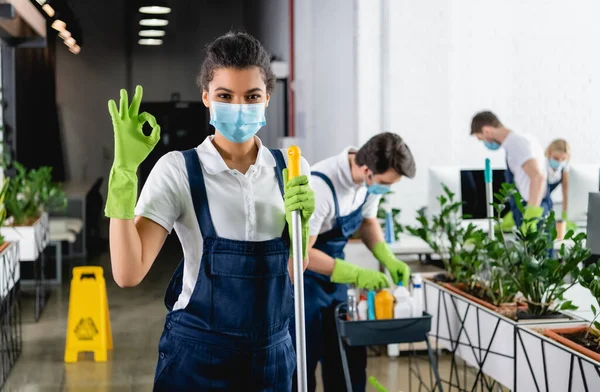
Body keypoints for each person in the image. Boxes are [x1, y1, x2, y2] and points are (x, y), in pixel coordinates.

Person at [105, 32, 315, 391]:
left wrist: (303, 230)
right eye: (224, 96)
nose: (239, 105)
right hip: (197, 360)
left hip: (272, 358)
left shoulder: (293, 169)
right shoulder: (178, 171)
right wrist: (124, 173)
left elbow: (295, 271)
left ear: (267, 98)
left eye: (251, 96)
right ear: (206, 98)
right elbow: (128, 273)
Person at [291, 132, 416, 392]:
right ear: (367, 170)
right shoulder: (321, 186)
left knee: (347, 353)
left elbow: (368, 222)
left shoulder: (370, 184)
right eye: (385, 183)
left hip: (336, 276)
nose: (386, 188)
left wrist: (387, 257)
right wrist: (356, 274)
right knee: (305, 356)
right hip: (306, 280)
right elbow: (301, 254)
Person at [470, 111, 550, 228]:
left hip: (534, 213)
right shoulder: (519, 141)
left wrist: (531, 217)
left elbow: (538, 178)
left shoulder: (517, 143)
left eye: (481, 139)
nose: (485, 143)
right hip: (531, 208)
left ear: (486, 130)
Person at [546, 139, 570, 239]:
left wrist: (565, 211)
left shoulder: (564, 167)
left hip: (548, 194)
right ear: (549, 154)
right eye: (555, 158)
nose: (559, 162)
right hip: (540, 191)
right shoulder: (542, 165)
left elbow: (565, 189)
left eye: (563, 159)